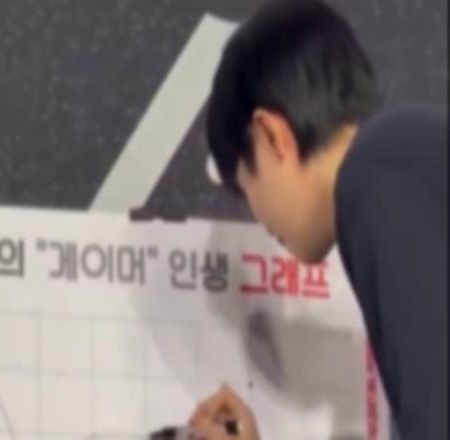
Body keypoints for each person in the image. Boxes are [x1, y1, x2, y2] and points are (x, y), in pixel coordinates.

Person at [188, 0, 448, 439]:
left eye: (246, 185)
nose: (257, 215)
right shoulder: (406, 160)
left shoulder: (379, 168)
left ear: (271, 136)